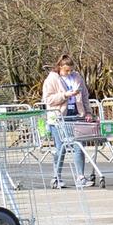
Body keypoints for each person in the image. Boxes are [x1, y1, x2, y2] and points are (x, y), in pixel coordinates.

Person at [40, 54, 92, 187]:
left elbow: (84, 95)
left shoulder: (77, 77)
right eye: (66, 70)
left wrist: (88, 112)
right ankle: (56, 177)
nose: (69, 73)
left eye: (70, 70)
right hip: (58, 118)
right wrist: (65, 95)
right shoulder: (51, 79)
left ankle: (81, 176)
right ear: (60, 67)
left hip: (76, 115)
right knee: (60, 148)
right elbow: (48, 99)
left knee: (79, 146)